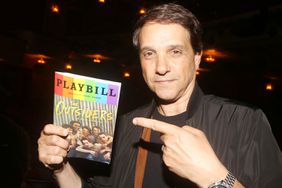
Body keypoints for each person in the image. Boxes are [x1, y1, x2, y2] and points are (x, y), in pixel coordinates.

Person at [37, 3, 282, 188]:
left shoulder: (244, 121)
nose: (161, 67)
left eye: (175, 51)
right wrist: (60, 168)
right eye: (149, 53)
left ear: (197, 57)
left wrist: (215, 177)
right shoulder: (125, 126)